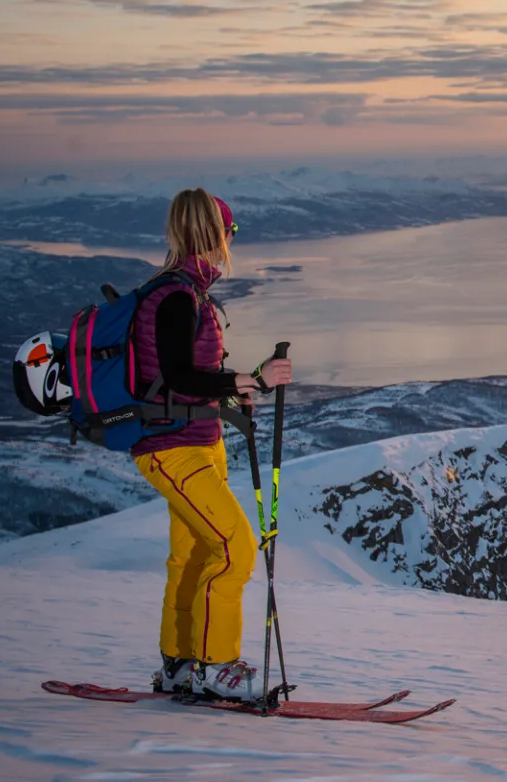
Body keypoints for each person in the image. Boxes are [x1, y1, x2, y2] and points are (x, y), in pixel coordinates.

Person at [134, 188, 293, 702]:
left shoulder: (185, 292)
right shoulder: (177, 297)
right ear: (215, 233)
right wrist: (246, 379)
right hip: (174, 448)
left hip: (196, 441)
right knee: (234, 547)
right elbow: (179, 378)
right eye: (232, 231)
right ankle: (214, 666)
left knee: (193, 555)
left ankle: (180, 663)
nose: (232, 240)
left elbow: (187, 377)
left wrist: (238, 389)